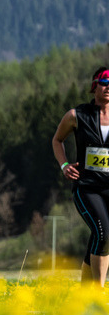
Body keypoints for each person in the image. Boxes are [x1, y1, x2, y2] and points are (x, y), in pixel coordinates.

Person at [52, 66, 109, 285]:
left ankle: (84, 293)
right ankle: (98, 293)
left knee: (101, 236)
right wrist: (64, 164)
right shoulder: (77, 115)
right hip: (87, 188)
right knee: (103, 232)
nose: (108, 87)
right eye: (104, 82)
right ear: (95, 85)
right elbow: (57, 140)